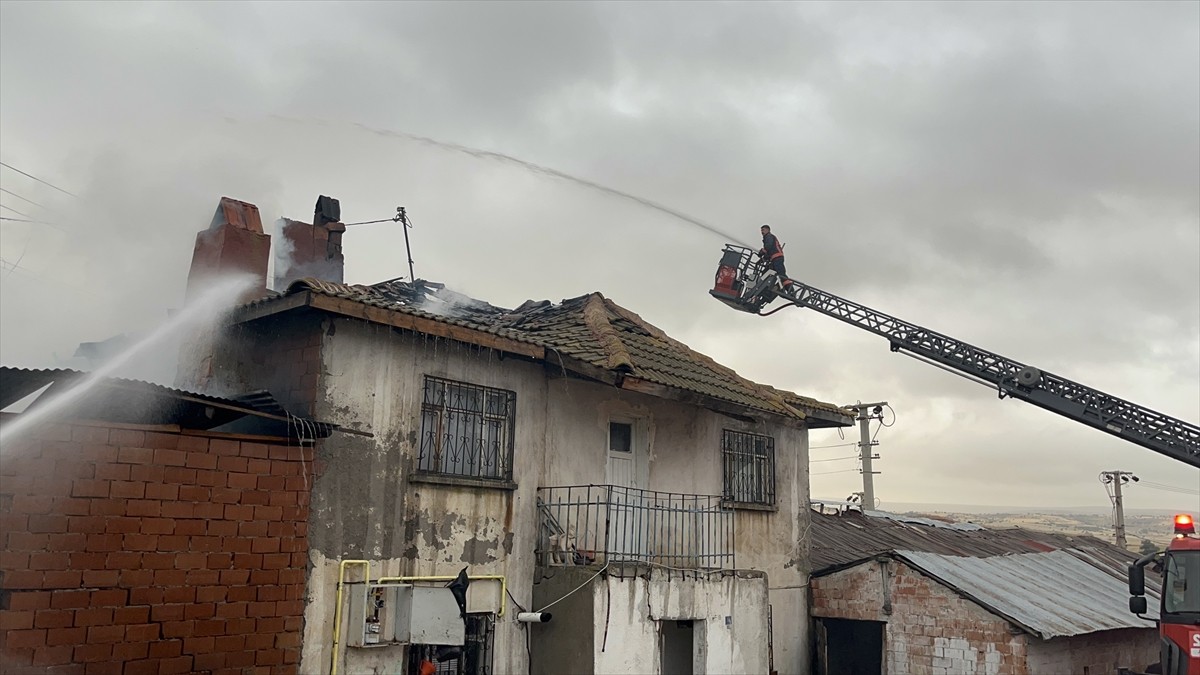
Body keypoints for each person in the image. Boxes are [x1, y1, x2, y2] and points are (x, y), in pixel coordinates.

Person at [759, 224, 793, 292]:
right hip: (775, 258)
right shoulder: (768, 238)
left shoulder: (769, 236)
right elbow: (770, 250)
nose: (762, 232)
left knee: (781, 273)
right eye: (761, 230)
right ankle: (768, 288)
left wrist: (762, 251)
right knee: (768, 273)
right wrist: (765, 256)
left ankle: (790, 289)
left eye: (763, 230)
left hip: (777, 257)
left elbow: (768, 246)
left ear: (768, 230)